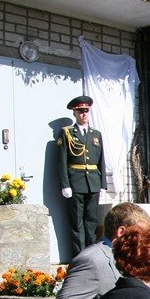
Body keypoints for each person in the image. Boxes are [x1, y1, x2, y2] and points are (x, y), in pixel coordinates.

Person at [58, 95, 107, 257]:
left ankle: (91, 255)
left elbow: (101, 160)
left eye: (86, 111)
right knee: (77, 222)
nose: (83, 114)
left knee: (91, 220)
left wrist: (103, 185)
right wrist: (65, 184)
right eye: (80, 111)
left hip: (92, 182)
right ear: (74, 113)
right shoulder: (67, 133)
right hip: (76, 182)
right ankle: (79, 256)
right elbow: (62, 161)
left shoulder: (96, 134)